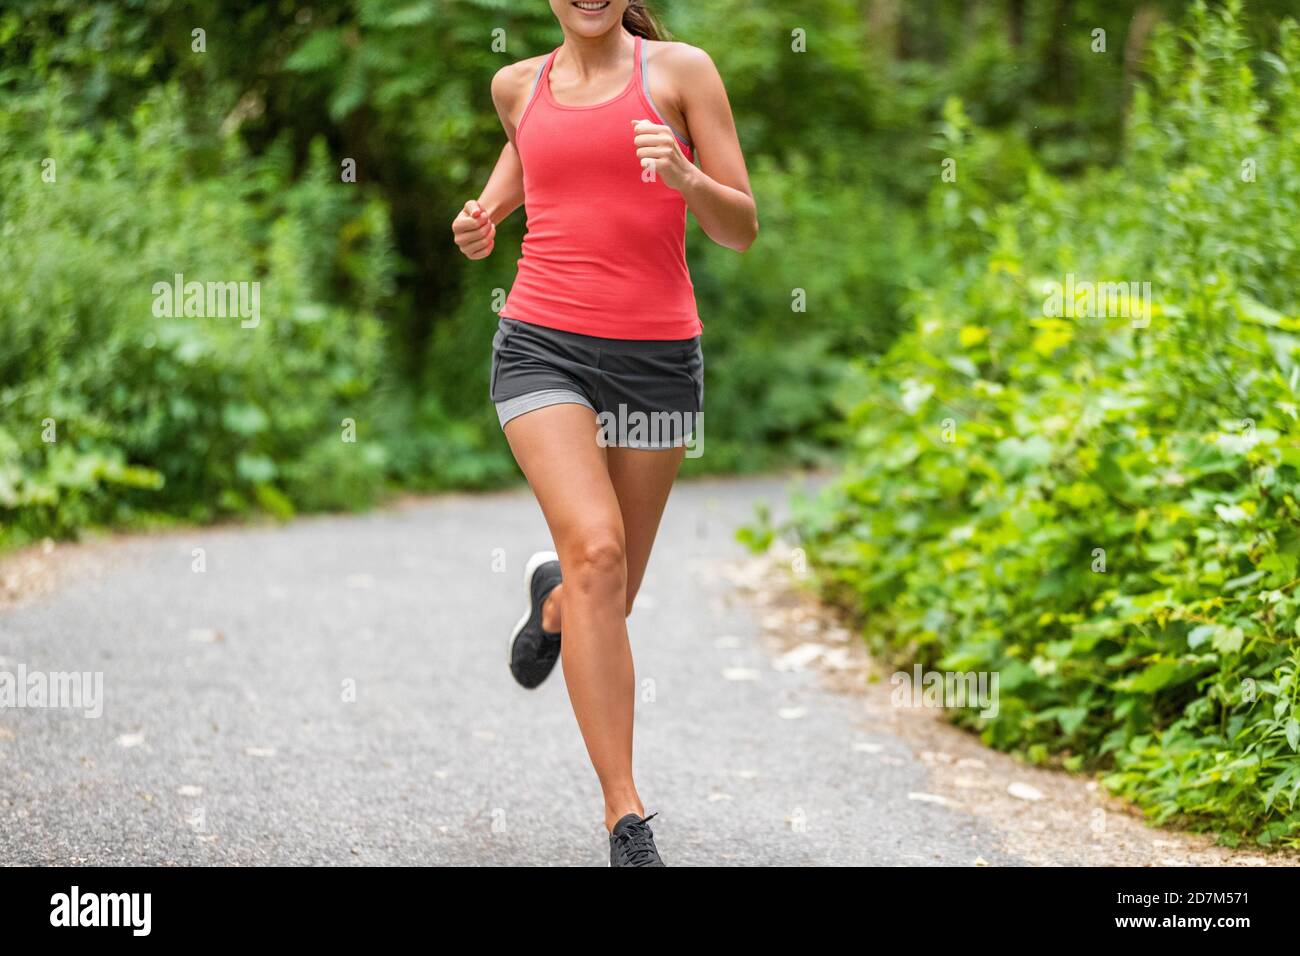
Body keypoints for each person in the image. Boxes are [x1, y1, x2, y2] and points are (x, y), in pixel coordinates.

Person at [452, 0, 757, 867]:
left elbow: (741, 229)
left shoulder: (683, 75)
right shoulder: (519, 87)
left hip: (658, 360)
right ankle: (626, 816)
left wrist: (689, 179)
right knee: (597, 551)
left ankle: (551, 602)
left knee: (603, 599)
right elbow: (503, 199)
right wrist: (478, 228)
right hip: (541, 344)